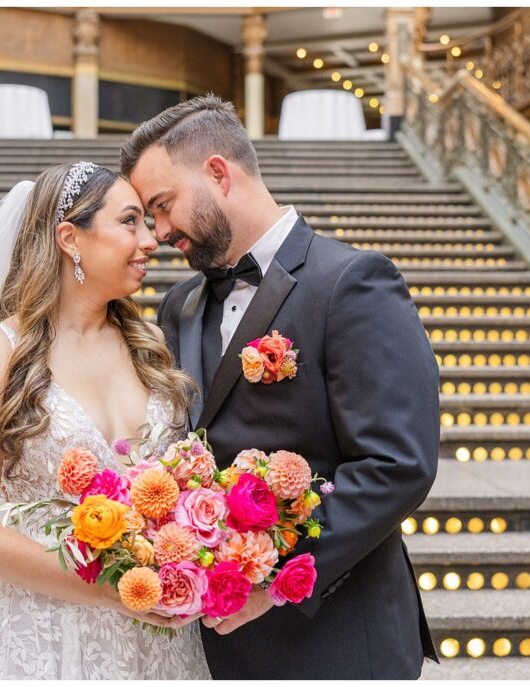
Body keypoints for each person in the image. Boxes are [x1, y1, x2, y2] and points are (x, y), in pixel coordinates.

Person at [121, 94, 441, 679]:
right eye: (147, 216)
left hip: (338, 635)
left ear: (218, 173)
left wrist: (270, 579)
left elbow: (398, 463)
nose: (159, 232)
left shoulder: (353, 281)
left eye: (163, 206)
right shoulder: (178, 305)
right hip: (212, 646)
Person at [0, 162, 210, 679]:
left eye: (148, 222)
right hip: (44, 640)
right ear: (69, 238)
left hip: (161, 645)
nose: (150, 240)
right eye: (129, 222)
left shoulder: (154, 348)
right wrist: (114, 592)